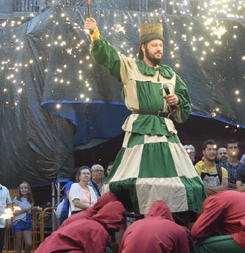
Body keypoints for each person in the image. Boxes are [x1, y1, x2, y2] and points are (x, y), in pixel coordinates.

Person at [84, 17, 206, 215]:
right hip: (140, 129)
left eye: (161, 45)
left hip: (166, 131)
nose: (159, 49)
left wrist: (177, 103)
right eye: (154, 45)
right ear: (143, 47)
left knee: (182, 183)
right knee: (136, 182)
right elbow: (108, 56)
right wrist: (94, 34)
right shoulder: (130, 67)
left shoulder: (171, 75)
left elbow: (184, 112)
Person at [12, 181, 40, 253]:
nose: (23, 189)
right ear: (19, 190)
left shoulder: (31, 200)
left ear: (28, 190)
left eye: (25, 188)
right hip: (18, 222)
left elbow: (31, 212)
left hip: (27, 222)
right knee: (18, 245)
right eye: (22, 188)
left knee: (29, 243)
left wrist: (35, 210)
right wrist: (24, 210)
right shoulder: (16, 199)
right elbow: (14, 212)